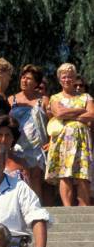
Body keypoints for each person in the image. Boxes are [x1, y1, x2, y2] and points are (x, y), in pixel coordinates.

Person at [45, 63, 94, 206]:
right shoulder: (55, 98)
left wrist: (68, 115)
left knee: (83, 174)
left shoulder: (86, 96)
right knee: (64, 173)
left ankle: (84, 208)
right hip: (62, 140)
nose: (67, 79)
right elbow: (58, 113)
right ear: (60, 79)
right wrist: (80, 110)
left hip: (82, 139)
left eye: (70, 76)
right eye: (64, 76)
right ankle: (67, 208)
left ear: (74, 78)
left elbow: (91, 114)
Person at [9, 64, 49, 201]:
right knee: (20, 176)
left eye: (29, 79)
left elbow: (52, 122)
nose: (24, 81)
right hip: (17, 145)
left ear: (37, 83)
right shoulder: (11, 99)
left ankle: (37, 210)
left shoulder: (43, 100)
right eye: (23, 77)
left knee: (36, 178)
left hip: (37, 145)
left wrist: (51, 141)